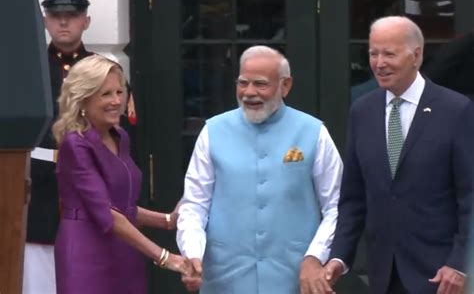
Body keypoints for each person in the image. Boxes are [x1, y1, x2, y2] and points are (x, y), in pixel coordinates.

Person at [319, 16, 474, 294]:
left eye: (389, 53)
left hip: (442, 277)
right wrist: (339, 257)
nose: (379, 63)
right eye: (373, 53)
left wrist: (460, 263)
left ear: (416, 56)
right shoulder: (362, 111)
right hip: (382, 274)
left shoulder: (456, 110)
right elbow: (353, 198)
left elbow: (470, 195)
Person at [176, 45, 343, 293]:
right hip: (224, 278)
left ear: (285, 86)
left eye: (260, 84)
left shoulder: (313, 132)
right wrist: (192, 253)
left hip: (292, 277)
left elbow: (336, 206)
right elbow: (194, 204)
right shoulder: (213, 131)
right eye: (243, 83)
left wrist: (316, 256)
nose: (249, 92)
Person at [50, 54, 191, 293]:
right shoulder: (76, 144)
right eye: (105, 94)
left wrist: (168, 221)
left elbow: (124, 206)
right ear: (83, 100)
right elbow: (107, 213)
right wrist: (167, 257)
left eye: (119, 92)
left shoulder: (120, 136)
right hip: (86, 254)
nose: (116, 101)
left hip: (124, 249)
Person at [24, 0, 99, 293]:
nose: (64, 21)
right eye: (55, 15)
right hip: (40, 191)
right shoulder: (28, 70)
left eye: (72, 14)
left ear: (86, 20)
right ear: (44, 20)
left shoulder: (102, 70)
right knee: (39, 281)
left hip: (89, 189)